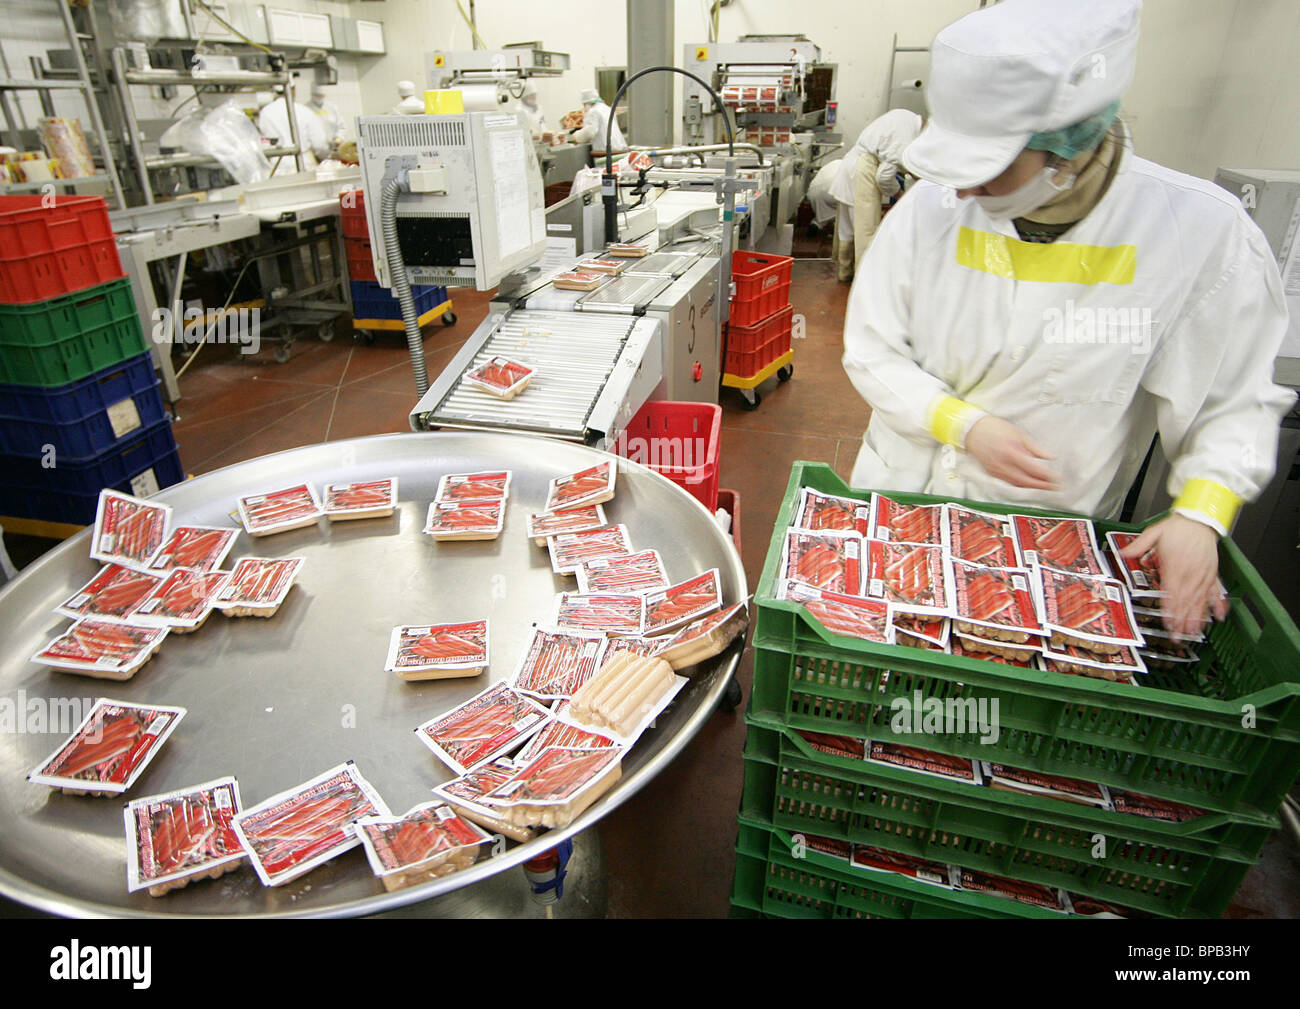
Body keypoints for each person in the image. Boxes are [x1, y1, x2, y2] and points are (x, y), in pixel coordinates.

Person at [840, 0, 1295, 636]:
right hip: (897, 503)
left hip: (1039, 539)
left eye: (991, 169)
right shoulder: (932, 211)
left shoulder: (1198, 236)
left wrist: (1201, 512)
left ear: (1067, 147)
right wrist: (962, 425)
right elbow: (870, 347)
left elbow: (1234, 400)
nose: (964, 192)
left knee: (999, 678)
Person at [828, 109, 921, 282]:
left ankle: (845, 272)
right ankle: (864, 281)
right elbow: (883, 176)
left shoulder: (905, 117)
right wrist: (900, 194)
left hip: (849, 165)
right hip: (863, 171)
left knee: (847, 228)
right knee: (866, 229)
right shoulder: (909, 135)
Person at [256, 85, 330, 173]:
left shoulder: (265, 112)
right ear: (293, 89)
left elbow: (263, 142)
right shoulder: (304, 111)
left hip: (277, 167)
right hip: (303, 165)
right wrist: (325, 157)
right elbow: (320, 144)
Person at [568, 87, 626, 154]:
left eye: (584, 104)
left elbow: (589, 132)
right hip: (619, 147)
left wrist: (576, 136)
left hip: (605, 150)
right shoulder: (607, 109)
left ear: (587, 103)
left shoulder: (593, 111)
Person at [804, 158, 841, 235]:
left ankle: (816, 224)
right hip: (833, 193)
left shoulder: (835, 162)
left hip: (813, 194)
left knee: (823, 215)